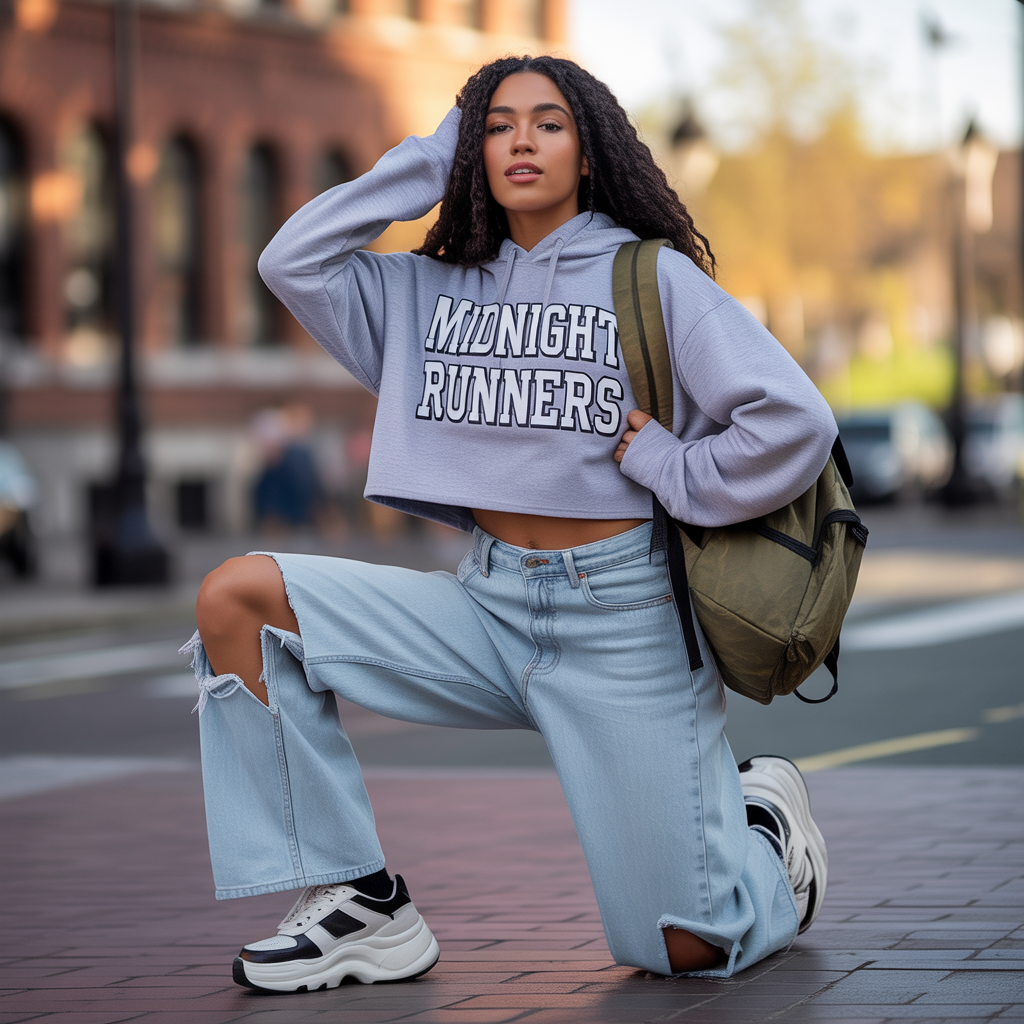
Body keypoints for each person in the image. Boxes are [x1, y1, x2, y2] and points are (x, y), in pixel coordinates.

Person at [187, 54, 836, 992]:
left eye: (548, 123)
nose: (521, 141)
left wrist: (671, 467)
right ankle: (359, 901)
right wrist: (431, 158)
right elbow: (290, 261)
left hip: (625, 625)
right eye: (496, 126)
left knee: (684, 948)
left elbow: (796, 420)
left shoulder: (647, 278)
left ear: (590, 150)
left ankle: (766, 835)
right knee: (240, 601)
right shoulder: (422, 291)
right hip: (484, 607)